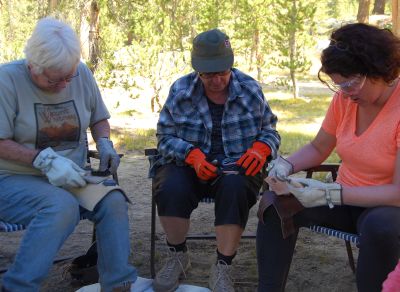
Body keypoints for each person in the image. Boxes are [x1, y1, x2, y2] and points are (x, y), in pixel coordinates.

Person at [257, 23, 400, 292]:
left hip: (387, 210)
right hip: (345, 198)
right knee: (276, 204)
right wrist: (286, 165)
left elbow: (397, 193)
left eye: (351, 82)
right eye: (339, 85)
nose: (345, 92)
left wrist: (330, 193)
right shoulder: (347, 99)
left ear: (378, 69)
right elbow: (319, 147)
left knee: (380, 227)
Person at [0, 17, 138, 292]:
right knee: (59, 205)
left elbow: (99, 118)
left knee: (112, 200)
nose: (64, 84)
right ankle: (18, 286)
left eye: (68, 76)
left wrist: (105, 143)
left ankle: (117, 284)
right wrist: (43, 159)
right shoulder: (7, 80)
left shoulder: (81, 74)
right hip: (13, 178)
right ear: (33, 66)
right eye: (55, 79)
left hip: (71, 176)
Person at [151, 28, 280, 292]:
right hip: (187, 165)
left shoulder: (250, 89)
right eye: (209, 74)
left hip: (237, 164)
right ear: (197, 70)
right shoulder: (181, 90)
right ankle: (177, 254)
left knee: (235, 188)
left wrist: (261, 148)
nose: (217, 80)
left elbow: (270, 130)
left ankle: (223, 265)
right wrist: (191, 154)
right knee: (170, 186)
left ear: (231, 64)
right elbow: (163, 138)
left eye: (222, 72)